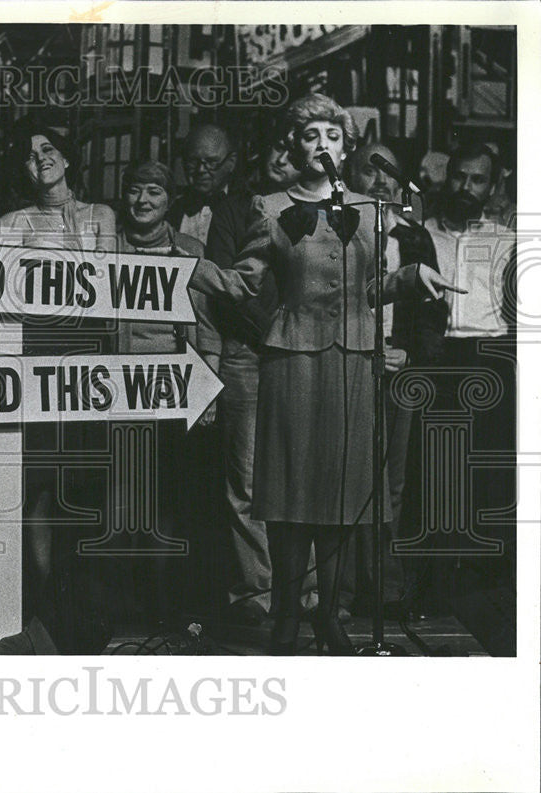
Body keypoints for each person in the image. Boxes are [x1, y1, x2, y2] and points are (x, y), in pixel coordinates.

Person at [188, 94, 461, 655]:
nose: (322, 146)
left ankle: (330, 618)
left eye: (332, 137)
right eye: (311, 136)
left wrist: (410, 277)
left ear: (347, 145)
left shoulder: (371, 210)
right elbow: (247, 283)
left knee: (342, 491)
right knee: (290, 494)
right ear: (296, 144)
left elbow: (367, 289)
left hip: (355, 360)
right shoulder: (269, 206)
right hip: (291, 360)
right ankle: (288, 617)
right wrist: (196, 270)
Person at [0, 124, 117, 651]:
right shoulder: (13, 220)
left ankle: (81, 604)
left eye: (47, 149)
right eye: (28, 153)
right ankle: (44, 602)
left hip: (91, 364)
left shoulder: (102, 215)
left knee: (85, 490)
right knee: (39, 489)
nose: (38, 159)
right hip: (38, 361)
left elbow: (104, 281)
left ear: (67, 157)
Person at [344, 141, 449, 615]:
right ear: (349, 176)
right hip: (345, 368)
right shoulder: (337, 230)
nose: (381, 180)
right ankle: (343, 587)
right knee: (347, 478)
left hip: (399, 373)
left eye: (390, 172)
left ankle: (383, 588)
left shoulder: (415, 238)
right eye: (371, 170)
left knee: (395, 483)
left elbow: (432, 312)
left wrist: (410, 356)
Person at [413, 142, 516, 617]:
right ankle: (432, 586)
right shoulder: (418, 235)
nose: (466, 188)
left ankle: (483, 587)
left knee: (489, 473)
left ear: (492, 187)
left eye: (478, 180)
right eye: (459, 177)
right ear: (446, 178)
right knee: (435, 471)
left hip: (491, 356)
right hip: (439, 356)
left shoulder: (508, 240)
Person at [114, 160, 219, 619]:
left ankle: (162, 605)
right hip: (114, 389)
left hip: (173, 388)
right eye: (136, 191)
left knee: (168, 502)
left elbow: (209, 329)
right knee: (121, 499)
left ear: (169, 200)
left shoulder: (190, 249)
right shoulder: (109, 248)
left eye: (154, 192)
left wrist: (208, 389)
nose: (143, 201)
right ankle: (120, 604)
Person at [205, 131, 296, 625]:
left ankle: (306, 596)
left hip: (303, 355)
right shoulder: (235, 209)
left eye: (293, 147)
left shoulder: (320, 209)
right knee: (245, 480)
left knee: (301, 475)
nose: (283, 156)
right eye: (276, 146)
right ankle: (258, 596)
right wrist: (275, 330)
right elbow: (224, 284)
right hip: (247, 352)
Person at [166, 123, 245, 248]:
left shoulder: (247, 209)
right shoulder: (170, 208)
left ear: (231, 162)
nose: (201, 169)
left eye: (211, 162)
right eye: (193, 161)